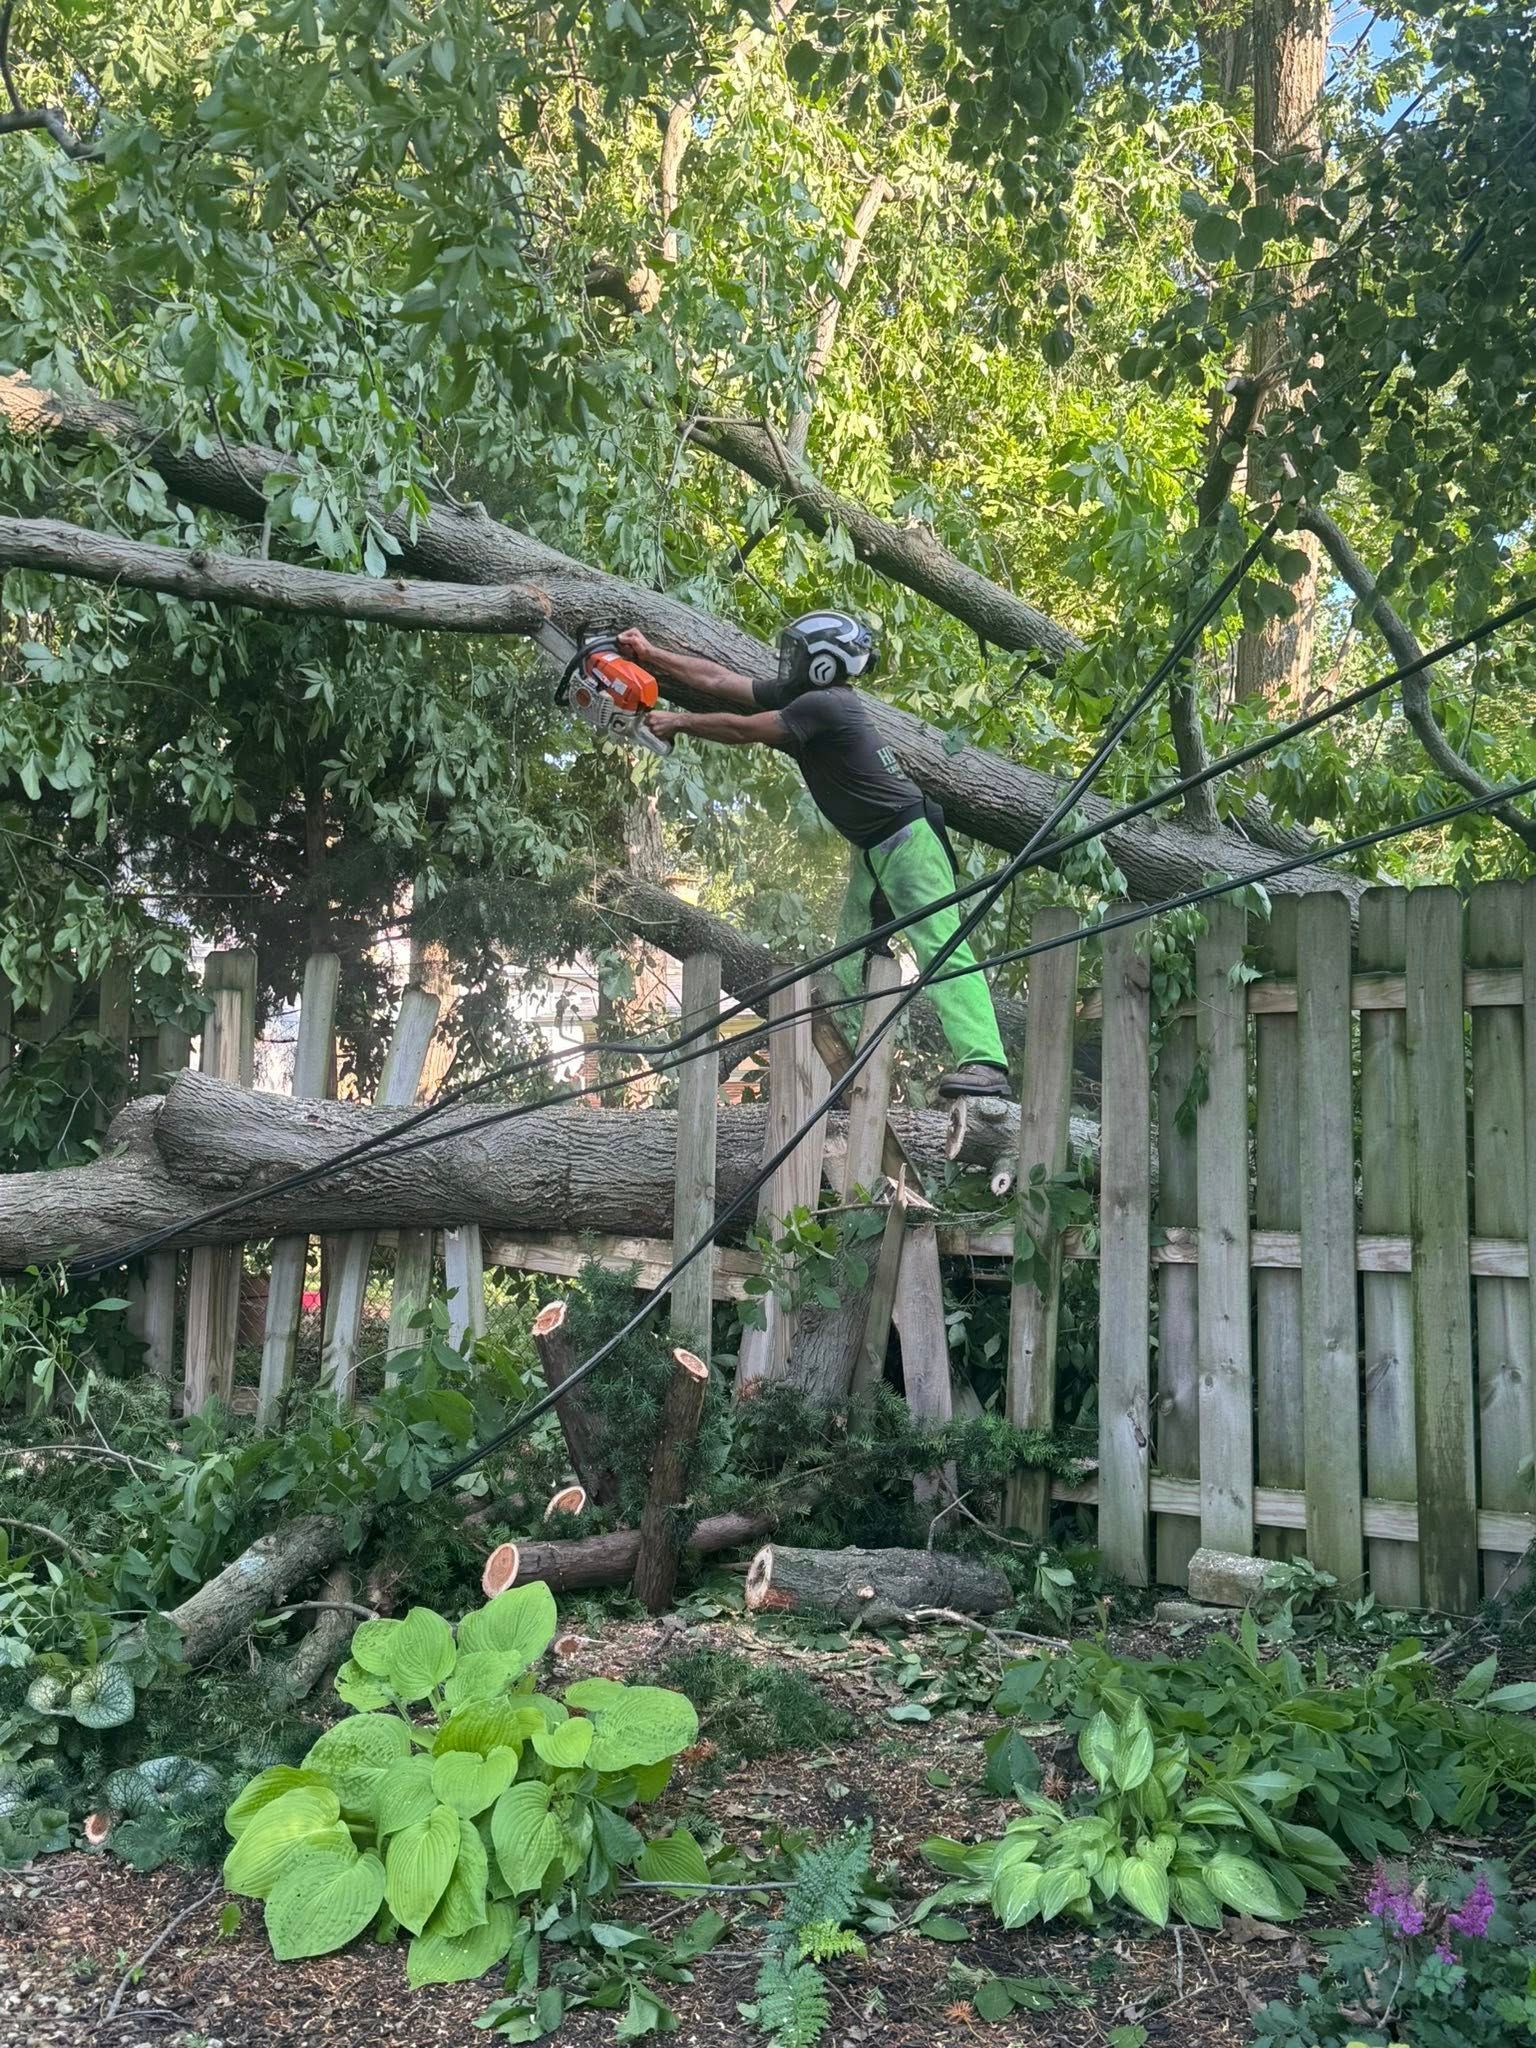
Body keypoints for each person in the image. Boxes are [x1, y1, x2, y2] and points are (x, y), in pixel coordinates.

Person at [617, 611, 1010, 1099]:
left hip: (907, 843)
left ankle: (985, 1062)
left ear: (824, 664)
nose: (788, 661)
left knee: (942, 946)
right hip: (875, 849)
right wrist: (651, 654)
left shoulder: (828, 704)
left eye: (798, 653)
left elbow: (744, 729)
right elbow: (719, 680)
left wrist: (679, 720)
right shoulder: (805, 697)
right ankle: (848, 1062)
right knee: (851, 957)